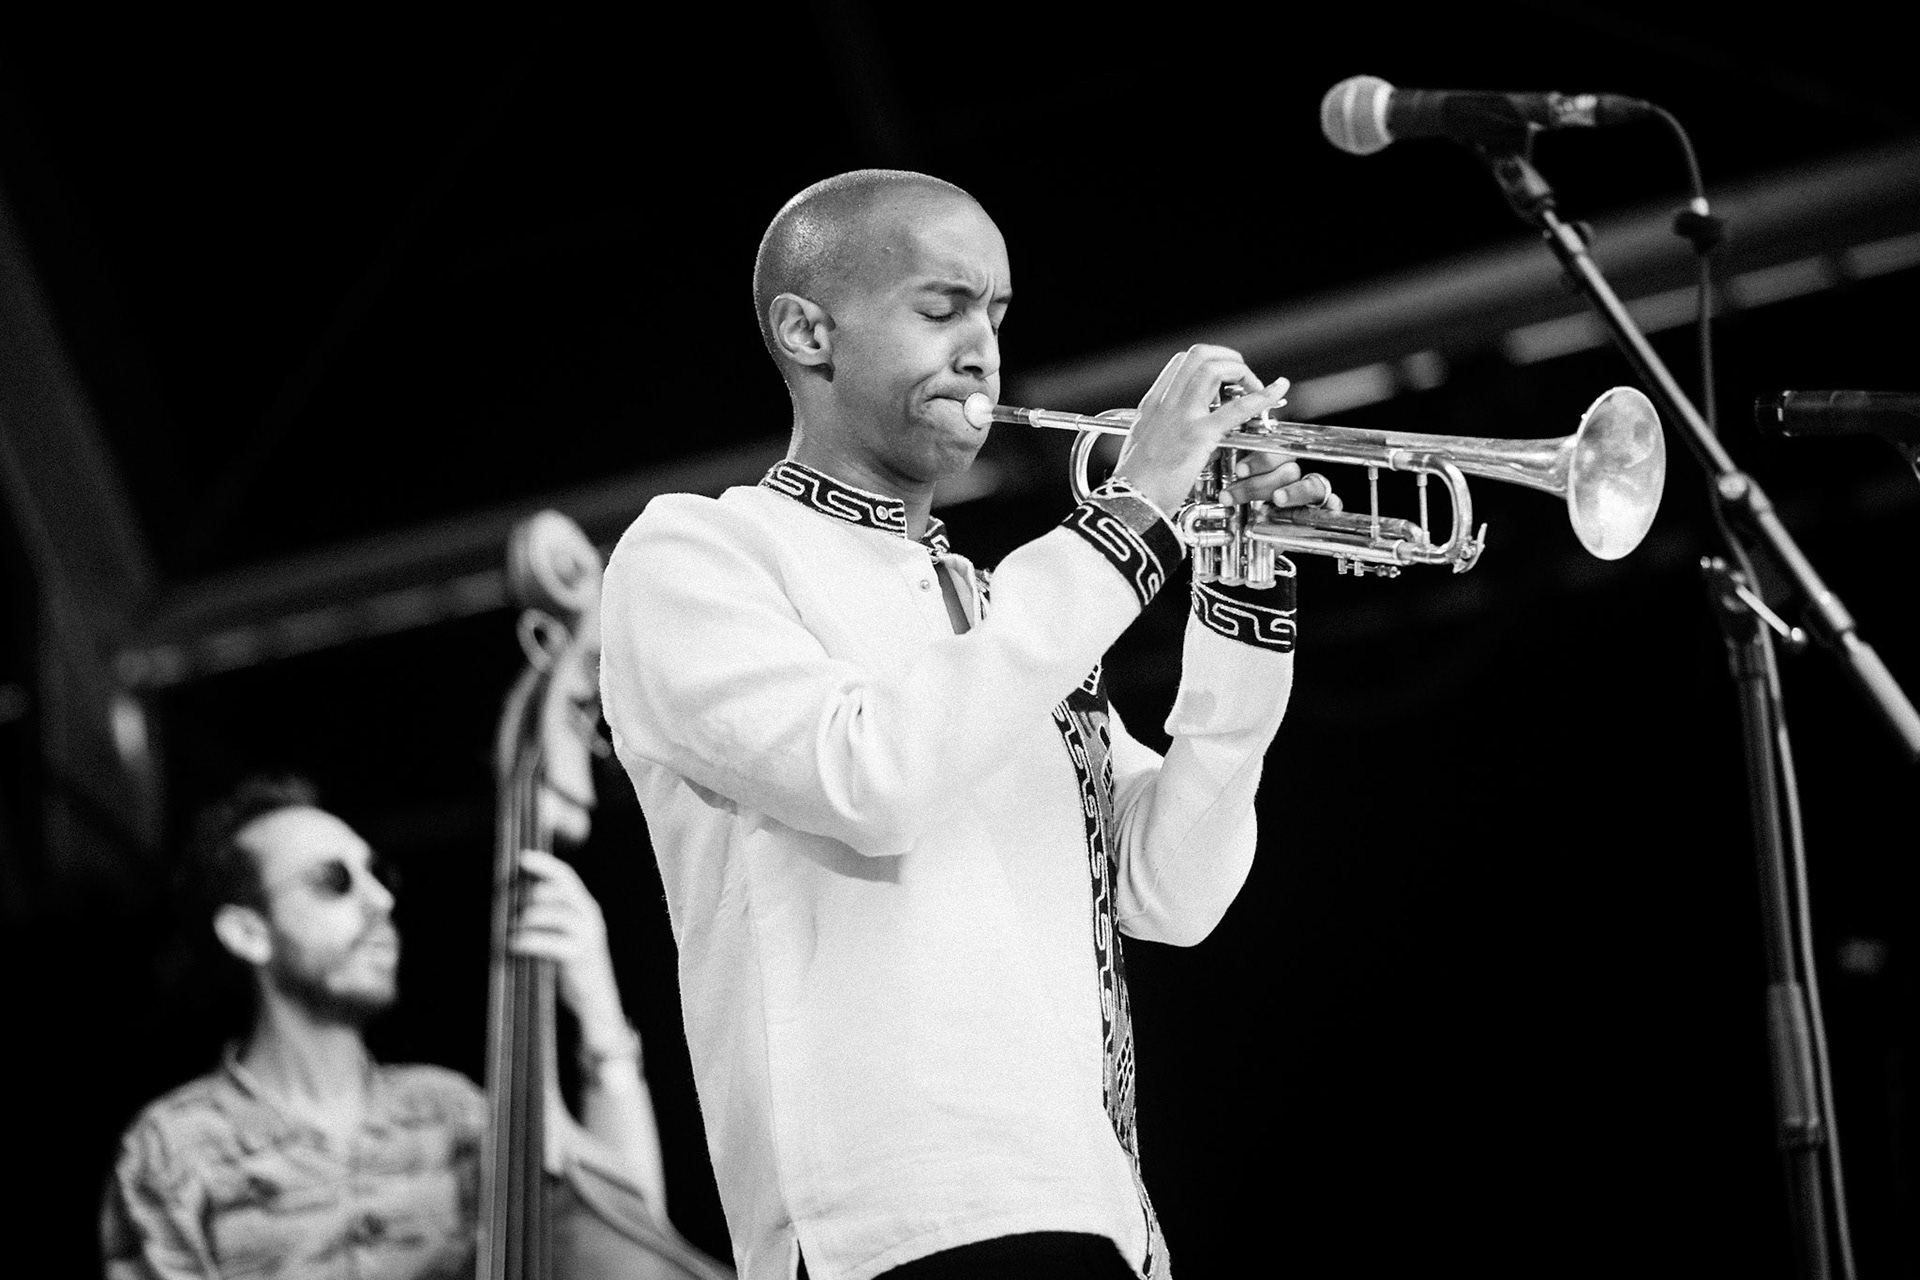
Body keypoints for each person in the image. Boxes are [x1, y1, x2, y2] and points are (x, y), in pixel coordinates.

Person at [597, 169, 1327, 1280]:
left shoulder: (998, 609)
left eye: (995, 313)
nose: (983, 346)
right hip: (892, 1220)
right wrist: (1131, 518)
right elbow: (871, 777)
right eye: (941, 309)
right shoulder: (700, 551)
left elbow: (1172, 889)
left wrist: (1242, 592)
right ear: (807, 329)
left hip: (1098, 1209)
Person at [100, 775, 670, 1279]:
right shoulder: (173, 1152)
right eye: (332, 880)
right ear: (249, 932)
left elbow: (628, 1244)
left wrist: (597, 1007)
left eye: (377, 873)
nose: (379, 899)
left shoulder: (453, 1113)